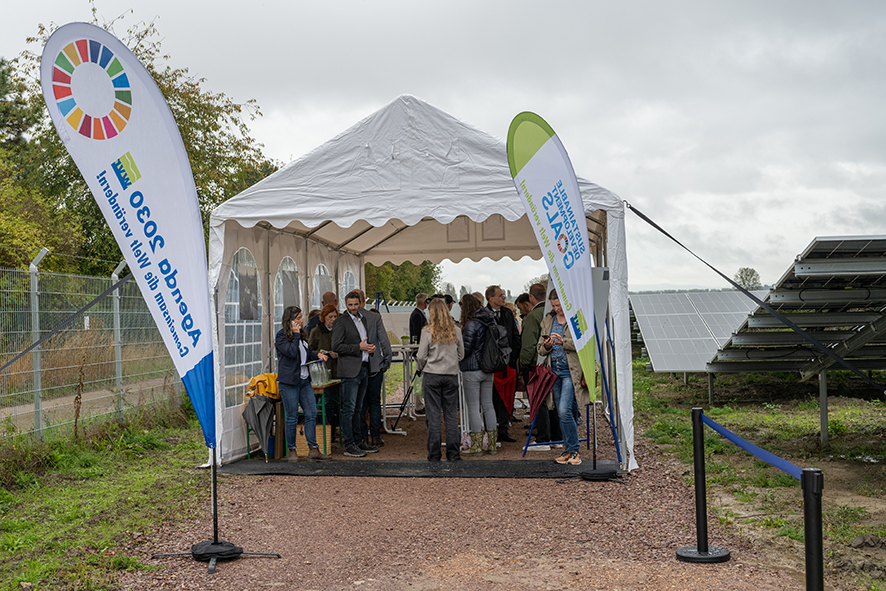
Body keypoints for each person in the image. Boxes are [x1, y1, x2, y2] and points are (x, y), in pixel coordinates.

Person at [537, 289, 588, 466]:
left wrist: (562, 342)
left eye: (559, 305)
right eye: (553, 306)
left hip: (570, 372)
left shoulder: (577, 319)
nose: (557, 309)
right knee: (564, 411)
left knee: (564, 411)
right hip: (554, 371)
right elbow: (540, 350)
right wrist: (548, 345)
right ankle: (569, 449)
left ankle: (574, 450)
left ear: (566, 303)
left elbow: (585, 343)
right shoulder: (547, 321)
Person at [275, 306, 330, 461]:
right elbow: (292, 353)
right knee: (292, 416)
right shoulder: (281, 336)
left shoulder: (302, 336)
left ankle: (313, 449)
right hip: (289, 382)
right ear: (289, 320)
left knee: (311, 413)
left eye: (300, 317)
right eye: (298, 318)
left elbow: (304, 355)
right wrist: (297, 334)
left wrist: (317, 354)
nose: (301, 320)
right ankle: (292, 449)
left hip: (304, 380)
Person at [416, 298, 464, 461]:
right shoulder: (456, 330)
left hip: (432, 375)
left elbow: (421, 356)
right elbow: (461, 354)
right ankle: (453, 453)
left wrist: (421, 367)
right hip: (450, 375)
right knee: (451, 415)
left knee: (434, 415)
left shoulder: (427, 331)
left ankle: (435, 453)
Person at [331, 291, 378, 457]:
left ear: (360, 304)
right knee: (349, 409)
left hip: (364, 367)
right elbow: (336, 346)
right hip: (350, 371)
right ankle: (349, 444)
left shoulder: (363, 319)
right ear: (346, 304)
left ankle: (359, 441)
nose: (353, 307)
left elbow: (364, 343)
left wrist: (369, 349)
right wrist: (358, 348)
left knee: (359, 408)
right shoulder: (340, 322)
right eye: (350, 305)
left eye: (355, 304)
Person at [458, 293, 498, 455]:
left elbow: (466, 349)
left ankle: (476, 446)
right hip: (488, 368)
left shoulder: (471, 324)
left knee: (474, 407)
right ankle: (492, 445)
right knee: (488, 405)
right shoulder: (490, 320)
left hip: (472, 369)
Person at [355, 289, 393, 449]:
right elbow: (385, 342)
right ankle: (376, 437)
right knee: (375, 402)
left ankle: (362, 437)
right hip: (375, 365)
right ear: (364, 300)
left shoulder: (347, 318)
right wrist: (386, 362)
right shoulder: (375, 317)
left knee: (360, 404)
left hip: (356, 366)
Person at [519, 283, 554, 451]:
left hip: (536, 364)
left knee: (538, 401)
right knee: (553, 401)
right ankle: (556, 436)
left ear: (531, 297)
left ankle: (543, 438)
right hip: (553, 363)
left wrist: (524, 363)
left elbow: (528, 344)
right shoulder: (552, 312)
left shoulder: (533, 316)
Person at [485, 285, 521, 443]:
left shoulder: (507, 313)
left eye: (504, 295)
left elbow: (515, 336)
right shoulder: (483, 315)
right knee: (492, 397)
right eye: (500, 295)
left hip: (507, 363)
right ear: (491, 298)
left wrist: (513, 357)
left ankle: (504, 429)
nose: (504, 298)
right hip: (490, 365)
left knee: (507, 395)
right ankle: (491, 430)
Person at [307, 304, 341, 440]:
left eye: (335, 317)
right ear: (323, 318)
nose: (332, 319)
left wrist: (338, 354)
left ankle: (337, 429)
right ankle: (329, 433)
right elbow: (309, 350)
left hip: (339, 371)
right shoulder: (316, 331)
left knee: (339, 402)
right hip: (323, 373)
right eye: (330, 317)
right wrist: (319, 354)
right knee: (327, 403)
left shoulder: (339, 330)